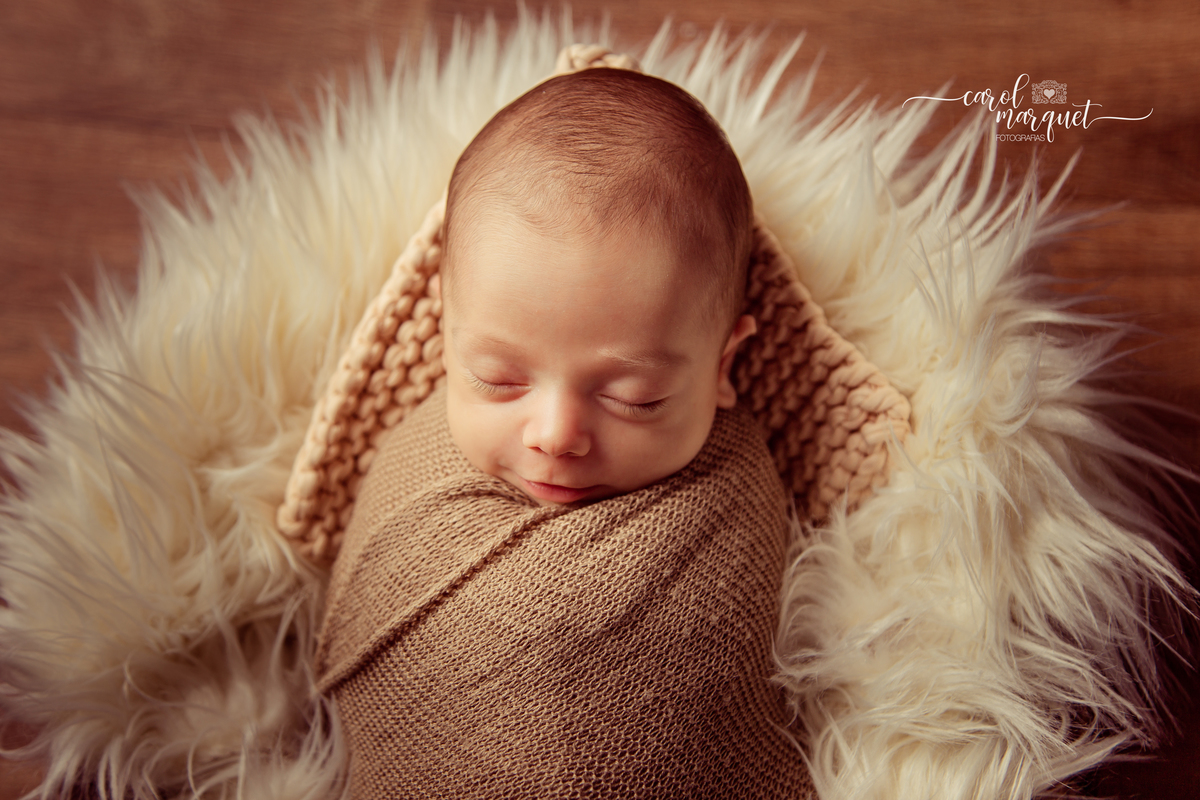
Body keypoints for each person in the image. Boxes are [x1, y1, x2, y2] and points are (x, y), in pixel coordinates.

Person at [316, 67, 813, 798]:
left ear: (723, 365)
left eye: (634, 397)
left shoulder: (734, 497)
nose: (555, 435)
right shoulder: (415, 460)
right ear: (445, 332)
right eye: (497, 377)